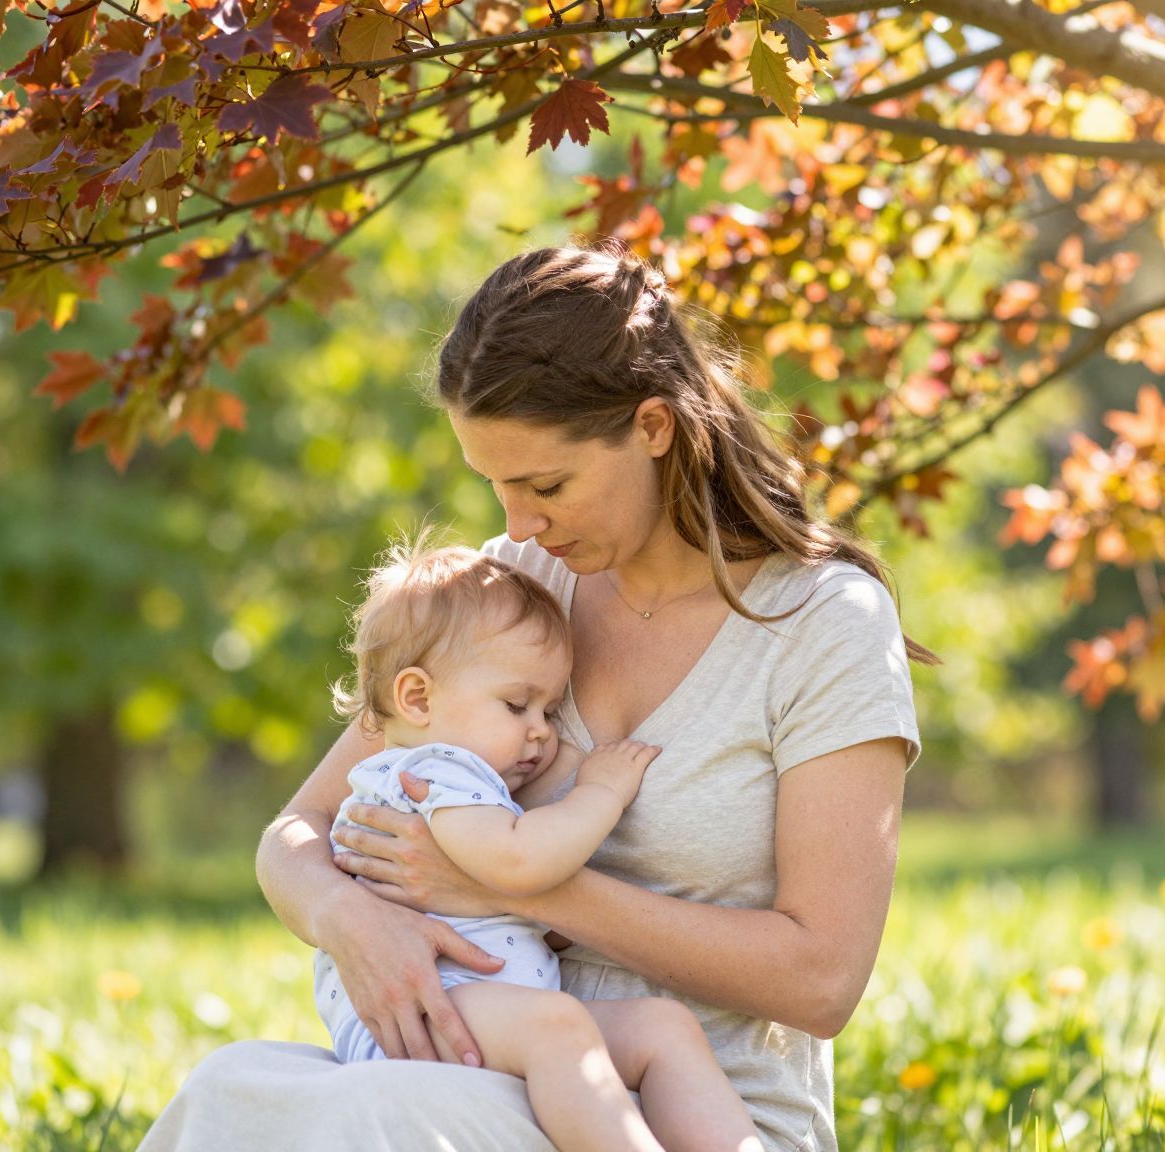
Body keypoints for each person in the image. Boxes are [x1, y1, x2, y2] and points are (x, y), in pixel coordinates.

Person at [140, 241, 930, 1151]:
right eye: (497, 487)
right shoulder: (511, 591)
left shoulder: (821, 623)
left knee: (380, 1122)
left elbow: (821, 980)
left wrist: (515, 883)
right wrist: (349, 918)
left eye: (545, 484)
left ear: (654, 428)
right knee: (231, 1088)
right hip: (485, 1067)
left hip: (697, 1110)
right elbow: (296, 836)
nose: (518, 525)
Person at [312, 537, 766, 1152]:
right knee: (559, 1028)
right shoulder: (432, 771)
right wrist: (599, 793)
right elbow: (521, 862)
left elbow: (500, 907)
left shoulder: (464, 779)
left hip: (491, 1014)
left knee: (662, 1027)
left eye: (550, 711)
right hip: (427, 1016)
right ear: (417, 698)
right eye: (517, 704)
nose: (539, 733)